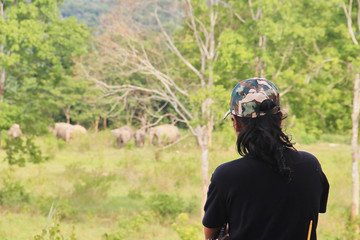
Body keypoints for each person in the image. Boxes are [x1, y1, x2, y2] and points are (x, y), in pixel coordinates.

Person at [202, 78, 329, 240]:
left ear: (236, 123)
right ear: (279, 119)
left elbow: (210, 235)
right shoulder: (310, 165)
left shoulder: (226, 176)